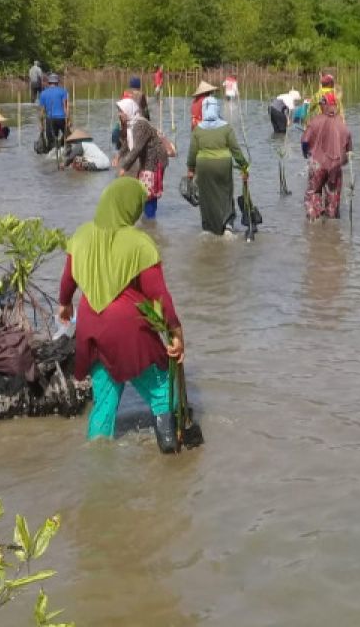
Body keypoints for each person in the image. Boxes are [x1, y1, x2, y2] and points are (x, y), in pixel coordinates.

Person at [57, 178, 185, 452]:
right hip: (129, 329)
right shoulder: (140, 243)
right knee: (160, 388)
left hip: (91, 326)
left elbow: (68, 280)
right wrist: (175, 333)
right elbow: (159, 296)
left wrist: (64, 304)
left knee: (104, 401)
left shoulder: (80, 235)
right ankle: (171, 455)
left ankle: (97, 471)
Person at [186, 96, 249, 234]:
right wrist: (244, 166)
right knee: (225, 194)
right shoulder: (226, 128)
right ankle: (227, 225)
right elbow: (235, 150)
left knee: (206, 196)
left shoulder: (198, 129)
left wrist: (190, 169)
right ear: (217, 108)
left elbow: (192, 153)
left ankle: (209, 227)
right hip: (223, 165)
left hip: (203, 166)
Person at [302, 92, 353, 220]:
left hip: (317, 164)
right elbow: (348, 151)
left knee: (313, 193)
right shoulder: (343, 125)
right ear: (334, 106)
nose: (320, 107)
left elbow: (304, 141)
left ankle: (314, 226)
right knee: (333, 198)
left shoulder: (315, 121)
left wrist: (306, 153)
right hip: (335, 166)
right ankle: (331, 230)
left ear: (325, 105)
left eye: (321, 104)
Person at [115, 98, 167, 219]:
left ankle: (150, 222)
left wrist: (124, 167)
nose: (119, 114)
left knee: (148, 192)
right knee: (144, 190)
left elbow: (137, 148)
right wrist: (118, 155)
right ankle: (148, 220)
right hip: (146, 159)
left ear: (128, 111)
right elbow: (128, 144)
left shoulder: (140, 125)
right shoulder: (132, 124)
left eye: (121, 111)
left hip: (155, 160)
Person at [37, 72, 69, 150]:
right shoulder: (63, 91)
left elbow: (42, 111)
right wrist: (68, 121)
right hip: (61, 118)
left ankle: (53, 153)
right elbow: (65, 108)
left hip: (50, 119)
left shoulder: (43, 93)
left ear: (49, 82)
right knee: (67, 137)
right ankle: (64, 150)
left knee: (51, 141)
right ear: (57, 82)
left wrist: (41, 124)